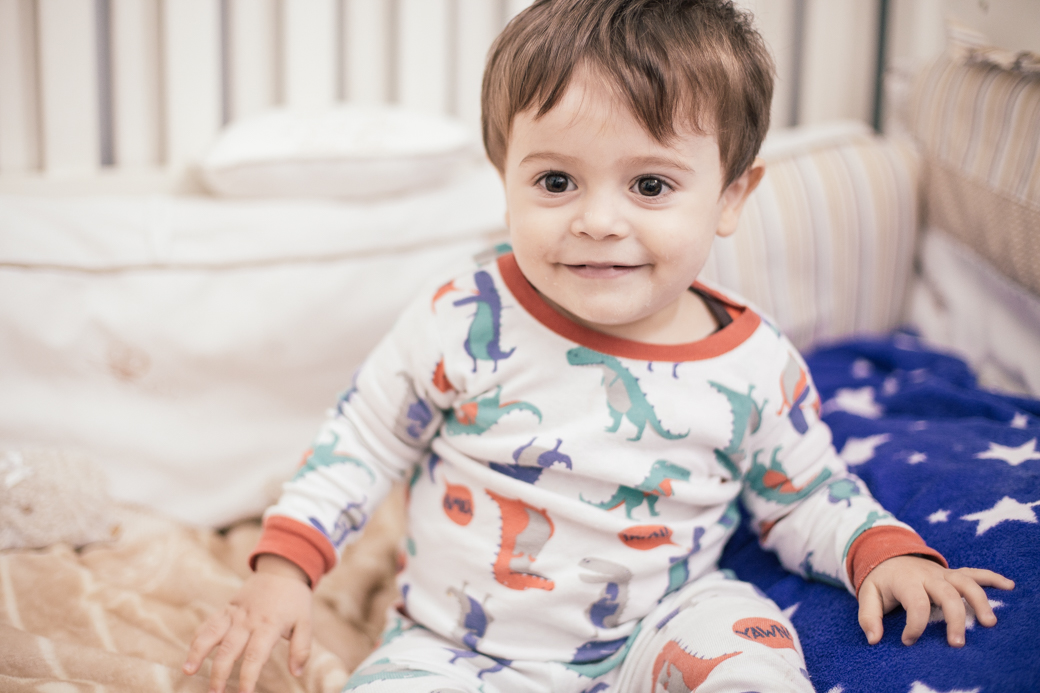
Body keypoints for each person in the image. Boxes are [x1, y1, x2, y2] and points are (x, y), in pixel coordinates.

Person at [184, 1, 1014, 691]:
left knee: (749, 652)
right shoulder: (462, 318)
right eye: (555, 181)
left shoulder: (755, 365)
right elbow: (360, 444)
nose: (598, 219)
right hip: (455, 648)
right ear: (504, 177)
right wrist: (283, 572)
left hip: (662, 626)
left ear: (732, 195)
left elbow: (803, 495)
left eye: (650, 184)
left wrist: (879, 551)